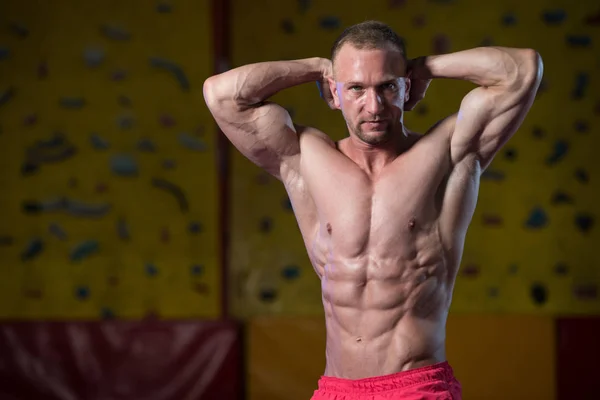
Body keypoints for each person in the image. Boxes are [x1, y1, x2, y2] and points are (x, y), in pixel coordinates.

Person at [203, 20, 543, 400]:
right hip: (336, 389)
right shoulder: (305, 158)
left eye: (387, 87)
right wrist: (317, 65)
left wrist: (425, 67)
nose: (374, 105)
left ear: (406, 88)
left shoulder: (449, 152)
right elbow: (221, 94)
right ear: (334, 93)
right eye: (356, 88)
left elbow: (522, 69)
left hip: (416, 387)